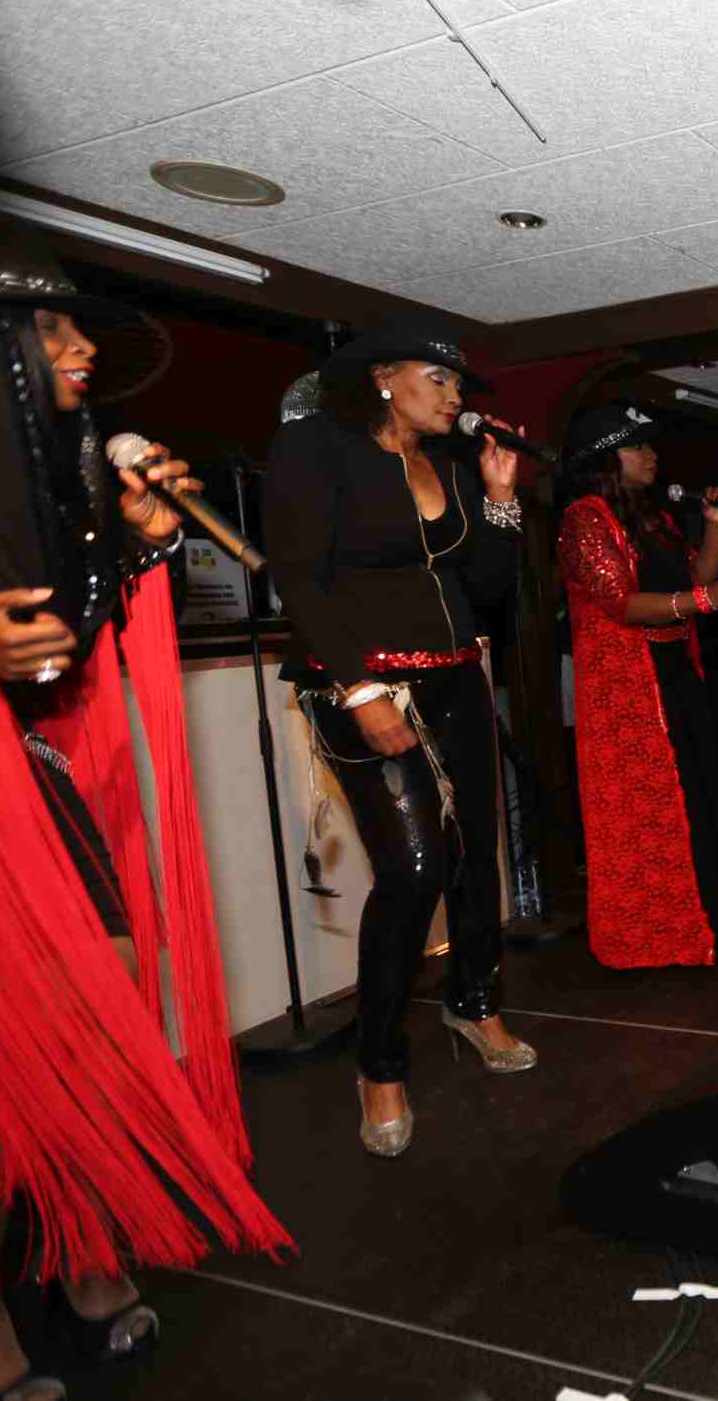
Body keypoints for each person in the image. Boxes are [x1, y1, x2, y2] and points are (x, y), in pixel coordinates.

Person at [0, 201, 289, 1398]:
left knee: (102, 992)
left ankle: (82, 1226)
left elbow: (60, 641)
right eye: (49, 324)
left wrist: (134, 540)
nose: (80, 346)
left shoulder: (39, 476)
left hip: (20, 764)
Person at [266, 312, 538, 1158]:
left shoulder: (451, 463)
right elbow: (298, 578)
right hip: (366, 684)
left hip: (456, 676)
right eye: (439, 377)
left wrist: (499, 499)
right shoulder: (317, 447)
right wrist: (359, 688)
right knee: (414, 867)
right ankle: (379, 1063)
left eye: (459, 383)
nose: (455, 395)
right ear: (384, 377)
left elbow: (485, 588)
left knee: (474, 853)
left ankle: (474, 1001)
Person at [556, 403, 718, 969]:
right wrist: (706, 600)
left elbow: (696, 578)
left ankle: (710, 920)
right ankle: (660, 935)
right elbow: (621, 603)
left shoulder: (654, 518)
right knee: (658, 809)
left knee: (699, 795)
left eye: (649, 445)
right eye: (637, 445)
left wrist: (714, 528)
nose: (651, 455)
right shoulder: (585, 518)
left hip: (675, 671)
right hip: (632, 686)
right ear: (606, 458)